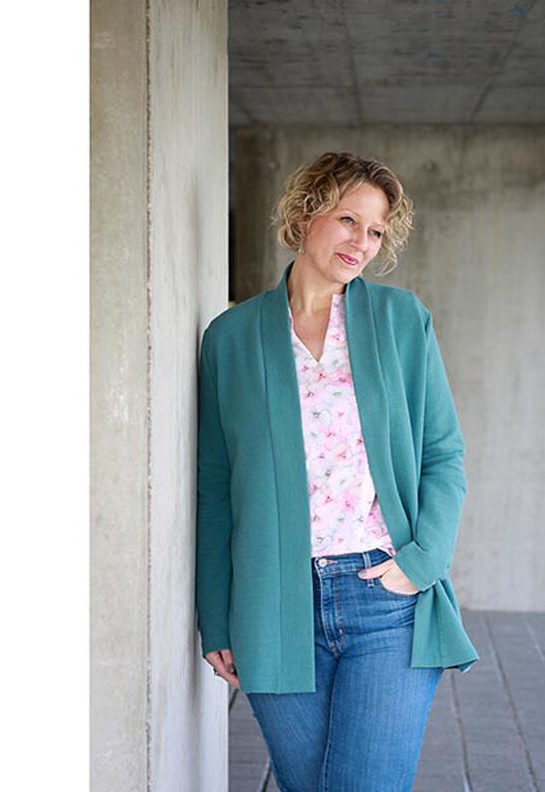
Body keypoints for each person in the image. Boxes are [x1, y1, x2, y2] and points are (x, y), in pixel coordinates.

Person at [195, 151, 479, 791]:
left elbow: (443, 454)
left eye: (376, 230)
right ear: (305, 215)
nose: (362, 242)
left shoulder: (402, 320)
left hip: (384, 596)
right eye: (349, 220)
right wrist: (217, 613)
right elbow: (215, 487)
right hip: (272, 602)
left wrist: (422, 562)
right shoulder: (231, 338)